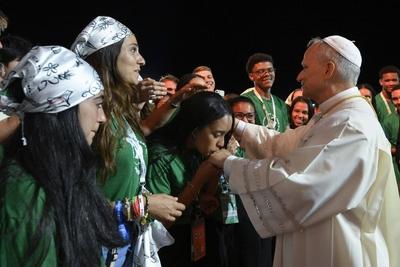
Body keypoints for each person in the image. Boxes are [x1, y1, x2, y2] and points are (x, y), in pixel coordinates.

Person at [208, 35, 400, 266]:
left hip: (338, 251)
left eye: (305, 67)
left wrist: (229, 163)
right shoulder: (334, 115)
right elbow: (283, 144)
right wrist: (235, 125)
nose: (299, 75)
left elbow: (301, 187)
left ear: (328, 69)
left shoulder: (351, 123)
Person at [71, 16, 185, 266]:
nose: (142, 60)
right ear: (107, 57)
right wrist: (140, 207)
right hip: (95, 249)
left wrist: (135, 102)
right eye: (133, 50)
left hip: (122, 245)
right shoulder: (86, 114)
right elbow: (72, 199)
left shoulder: (117, 112)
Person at [0, 45, 125, 266]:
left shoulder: (62, 174)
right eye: (97, 103)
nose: (103, 117)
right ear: (62, 110)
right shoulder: (26, 193)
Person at [146, 92, 236, 267]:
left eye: (225, 135)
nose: (221, 143)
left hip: (195, 238)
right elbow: (160, 226)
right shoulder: (161, 158)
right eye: (217, 134)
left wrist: (203, 197)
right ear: (195, 131)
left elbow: (199, 197)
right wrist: (198, 180)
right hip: (169, 246)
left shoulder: (197, 152)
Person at [241, 53, 289, 132]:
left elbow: (286, 132)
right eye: (261, 71)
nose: (267, 74)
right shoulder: (245, 100)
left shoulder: (281, 104)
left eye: (270, 70)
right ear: (251, 76)